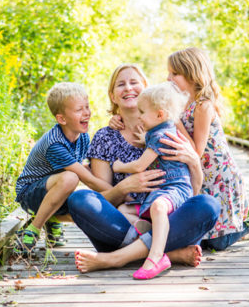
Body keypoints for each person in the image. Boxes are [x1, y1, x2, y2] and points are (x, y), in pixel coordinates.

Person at [68, 64, 220, 273]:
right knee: (79, 199)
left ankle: (118, 257)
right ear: (113, 96)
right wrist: (124, 187)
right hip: (124, 223)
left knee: (208, 205)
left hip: (168, 215)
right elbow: (103, 199)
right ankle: (170, 253)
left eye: (134, 82)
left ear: (146, 89)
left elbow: (191, 189)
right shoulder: (105, 137)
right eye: (121, 84)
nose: (128, 88)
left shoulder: (170, 128)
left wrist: (194, 162)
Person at [113, 82, 199, 279]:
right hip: (163, 189)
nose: (139, 115)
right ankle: (151, 231)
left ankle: (156, 257)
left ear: (160, 115)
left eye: (142, 112)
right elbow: (153, 139)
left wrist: (118, 166)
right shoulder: (159, 131)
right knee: (123, 209)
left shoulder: (161, 135)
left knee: (159, 208)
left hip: (175, 188)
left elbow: (138, 166)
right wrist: (145, 137)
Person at [14, 82, 113, 255]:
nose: (86, 113)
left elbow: (85, 168)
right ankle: (33, 230)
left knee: (83, 202)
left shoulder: (82, 137)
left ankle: (50, 218)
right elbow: (86, 178)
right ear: (62, 119)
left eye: (87, 107)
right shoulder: (55, 143)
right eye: (79, 110)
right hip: (30, 194)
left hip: (56, 189)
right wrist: (119, 193)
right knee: (71, 178)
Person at [167, 47, 249, 250]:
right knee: (203, 237)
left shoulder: (203, 106)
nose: (168, 78)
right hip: (202, 179)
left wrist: (176, 122)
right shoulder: (183, 104)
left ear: (192, 74)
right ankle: (240, 226)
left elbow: (196, 152)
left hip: (220, 179)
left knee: (218, 242)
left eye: (174, 74)